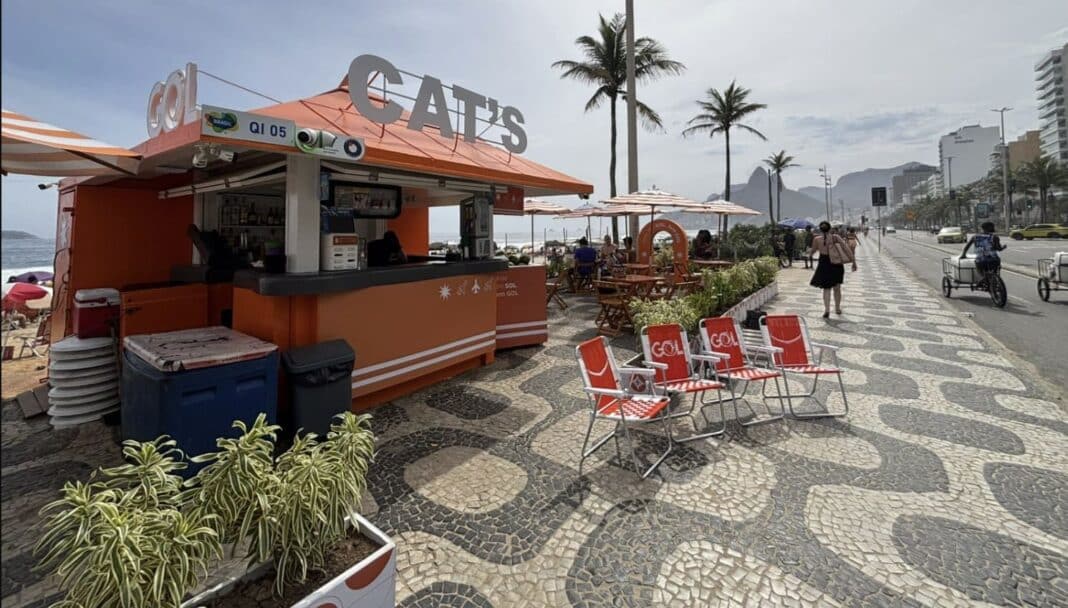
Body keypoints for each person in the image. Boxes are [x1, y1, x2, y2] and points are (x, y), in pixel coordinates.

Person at [809, 221, 856, 318]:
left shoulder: (817, 239)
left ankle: (827, 310)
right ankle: (837, 308)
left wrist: (809, 255)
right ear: (830, 228)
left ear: (820, 229)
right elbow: (846, 249)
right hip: (836, 263)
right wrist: (853, 261)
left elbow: (812, 251)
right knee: (837, 287)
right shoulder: (836, 237)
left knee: (826, 288)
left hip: (823, 264)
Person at [960, 221, 1006, 287]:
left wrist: (963, 255)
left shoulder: (975, 237)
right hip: (994, 260)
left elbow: (966, 247)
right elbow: (998, 248)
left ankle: (984, 278)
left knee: (981, 269)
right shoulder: (994, 237)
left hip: (981, 260)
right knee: (997, 267)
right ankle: (995, 278)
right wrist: (1003, 247)